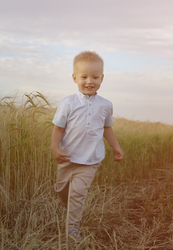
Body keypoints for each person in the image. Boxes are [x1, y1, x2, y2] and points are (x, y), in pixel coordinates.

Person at [51, 51, 124, 242]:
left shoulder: (105, 105)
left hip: (91, 159)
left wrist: (115, 147)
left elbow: (107, 128)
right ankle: (70, 209)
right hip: (67, 157)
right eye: (84, 77)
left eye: (95, 77)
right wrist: (55, 147)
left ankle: (72, 228)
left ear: (102, 78)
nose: (89, 81)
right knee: (61, 190)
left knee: (77, 195)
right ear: (75, 78)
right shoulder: (68, 103)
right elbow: (58, 128)